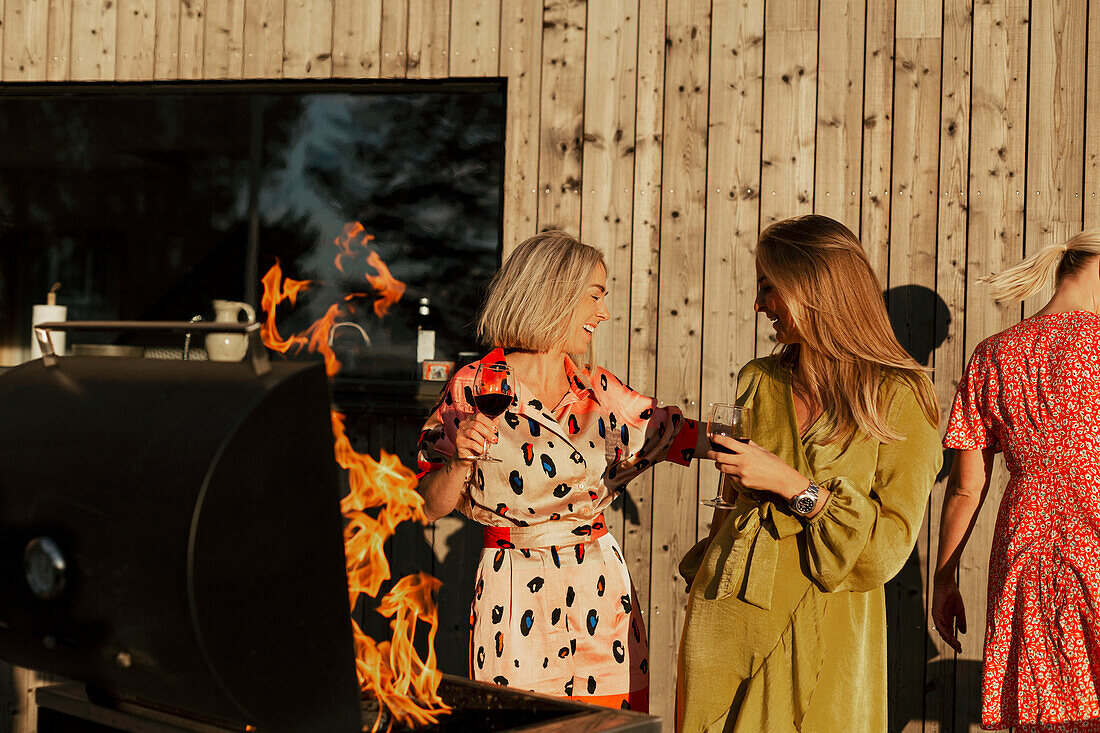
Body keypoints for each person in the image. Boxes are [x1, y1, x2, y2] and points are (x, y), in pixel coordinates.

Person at [416, 230, 706, 711]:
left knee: (609, 725)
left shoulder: (599, 391)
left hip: (599, 590)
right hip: (512, 595)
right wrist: (461, 460)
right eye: (595, 296)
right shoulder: (475, 385)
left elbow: (678, 432)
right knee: (519, 723)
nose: (604, 313)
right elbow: (426, 505)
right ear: (553, 294)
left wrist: (757, 447)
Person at [676, 214, 941, 732]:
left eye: (768, 287)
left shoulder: (899, 397)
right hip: (725, 620)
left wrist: (795, 487)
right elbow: (729, 501)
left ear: (813, 287)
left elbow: (884, 552)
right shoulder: (759, 379)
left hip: (827, 635)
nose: (758, 305)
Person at [933, 232, 1100, 731]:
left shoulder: (994, 354)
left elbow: (966, 487)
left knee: (1044, 706)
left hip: (1027, 547)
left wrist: (945, 578)